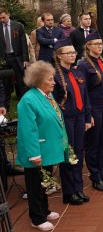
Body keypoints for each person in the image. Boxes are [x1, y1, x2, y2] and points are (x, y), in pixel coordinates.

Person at [16, 61, 68, 231]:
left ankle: (44, 210)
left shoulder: (47, 95)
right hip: (37, 151)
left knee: (44, 183)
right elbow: (27, 130)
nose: (54, 82)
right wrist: (34, 154)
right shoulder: (28, 100)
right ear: (38, 80)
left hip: (49, 148)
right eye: (50, 79)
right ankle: (36, 218)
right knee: (35, 185)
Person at [53, 39, 92, 205]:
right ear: (59, 56)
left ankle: (78, 188)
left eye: (74, 52)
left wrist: (88, 117)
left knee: (79, 152)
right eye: (68, 53)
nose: (72, 55)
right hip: (66, 120)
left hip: (80, 118)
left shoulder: (77, 73)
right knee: (69, 155)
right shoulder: (54, 76)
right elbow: (53, 102)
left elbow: (85, 97)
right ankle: (69, 192)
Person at [77, 32, 103, 191]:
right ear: (88, 46)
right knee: (93, 143)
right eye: (96, 44)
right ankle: (95, 177)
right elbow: (83, 92)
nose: (99, 47)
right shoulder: (84, 65)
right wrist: (89, 114)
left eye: (101, 44)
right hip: (94, 107)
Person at [0, 7, 30, 106]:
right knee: (5, 83)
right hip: (4, 59)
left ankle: (24, 104)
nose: (2, 20)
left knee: (21, 82)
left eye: (3, 17)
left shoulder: (18, 26)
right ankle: (4, 106)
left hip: (17, 58)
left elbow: (24, 44)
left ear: (8, 14)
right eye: (0, 18)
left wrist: (25, 59)